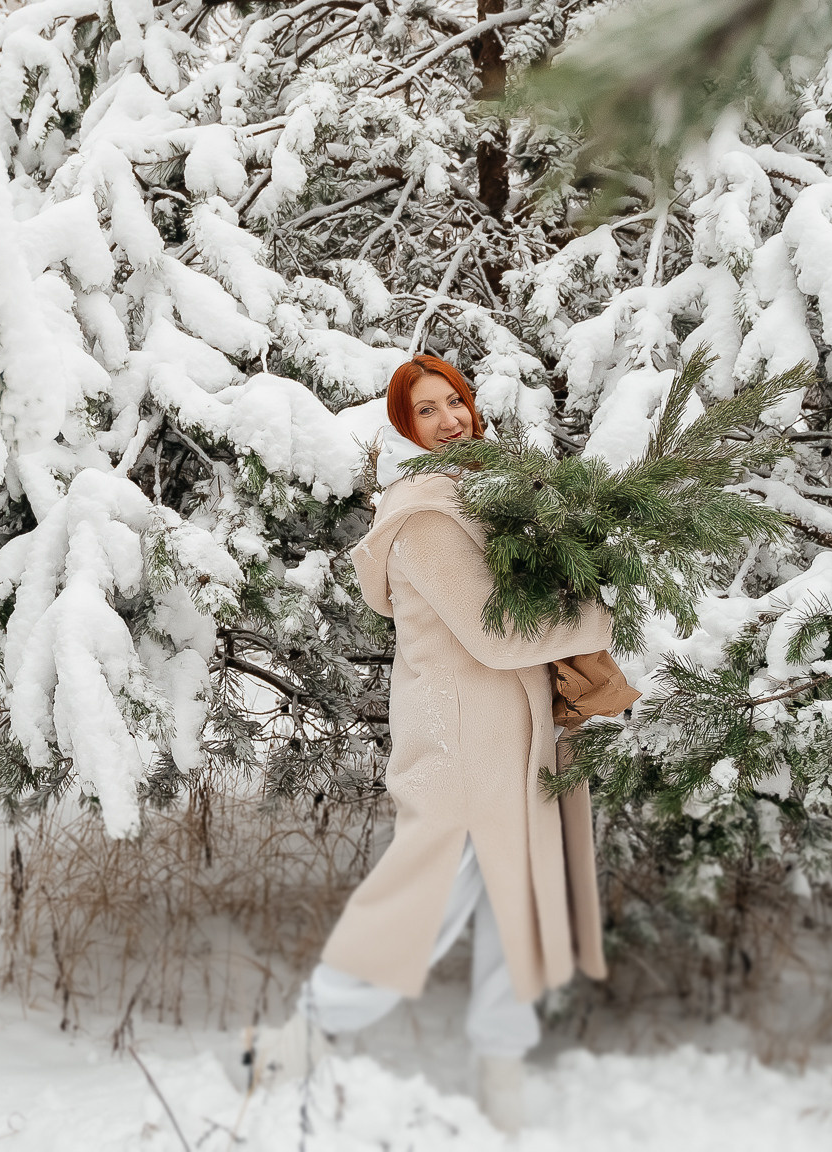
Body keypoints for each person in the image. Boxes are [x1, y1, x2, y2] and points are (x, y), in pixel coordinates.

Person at [245, 354, 613, 1133]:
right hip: (456, 742)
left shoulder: (480, 494)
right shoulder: (421, 517)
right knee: (427, 892)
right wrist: (600, 617)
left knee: (520, 896)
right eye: (428, 410)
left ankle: (501, 1071)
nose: (449, 419)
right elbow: (496, 632)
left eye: (456, 402)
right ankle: (303, 1037)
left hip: (511, 736)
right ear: (403, 426)